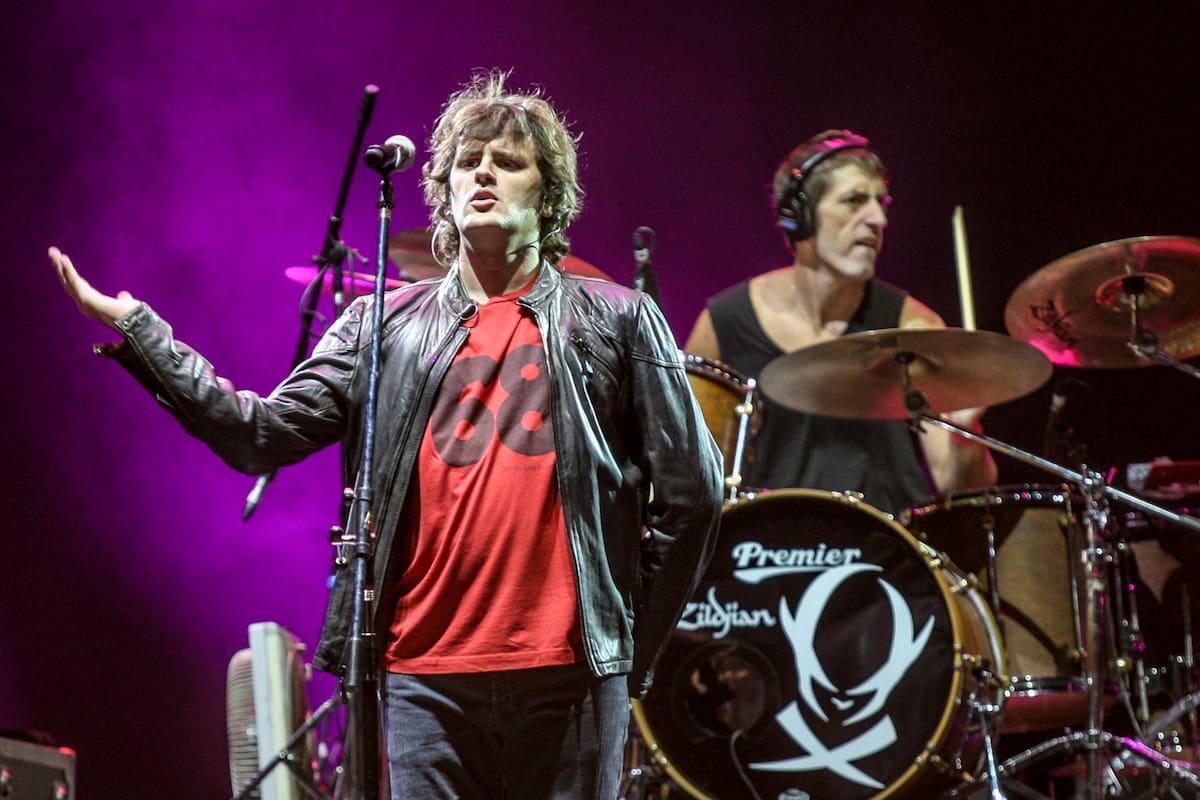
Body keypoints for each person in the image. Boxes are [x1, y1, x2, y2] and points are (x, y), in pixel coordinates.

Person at [50, 71, 724, 799]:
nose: (485, 173)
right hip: (421, 680)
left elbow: (692, 497)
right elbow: (260, 435)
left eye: (509, 160)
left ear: (550, 193)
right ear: (443, 189)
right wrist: (140, 331)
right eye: (468, 162)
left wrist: (630, 651)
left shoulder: (616, 318)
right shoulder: (384, 324)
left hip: (567, 677)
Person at [683, 129, 996, 516]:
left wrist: (967, 435)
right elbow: (687, 475)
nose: (878, 219)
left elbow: (961, 488)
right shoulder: (724, 324)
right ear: (800, 215)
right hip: (763, 556)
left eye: (881, 202)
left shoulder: (913, 325)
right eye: (854, 201)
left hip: (886, 558)